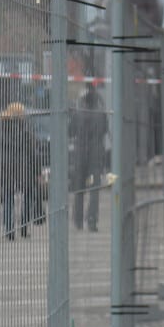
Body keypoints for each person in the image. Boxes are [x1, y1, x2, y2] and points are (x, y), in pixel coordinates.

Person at [0, 102, 43, 239]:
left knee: (8, 198)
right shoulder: (26, 130)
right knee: (27, 198)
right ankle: (23, 226)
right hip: (24, 168)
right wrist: (38, 171)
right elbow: (34, 153)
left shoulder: (2, 129)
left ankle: (9, 229)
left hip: (5, 168)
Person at [72, 83, 108, 232]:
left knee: (79, 188)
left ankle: (78, 220)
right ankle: (92, 220)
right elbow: (105, 131)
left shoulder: (78, 113)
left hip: (80, 154)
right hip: (96, 154)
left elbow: (71, 131)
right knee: (94, 189)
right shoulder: (101, 114)